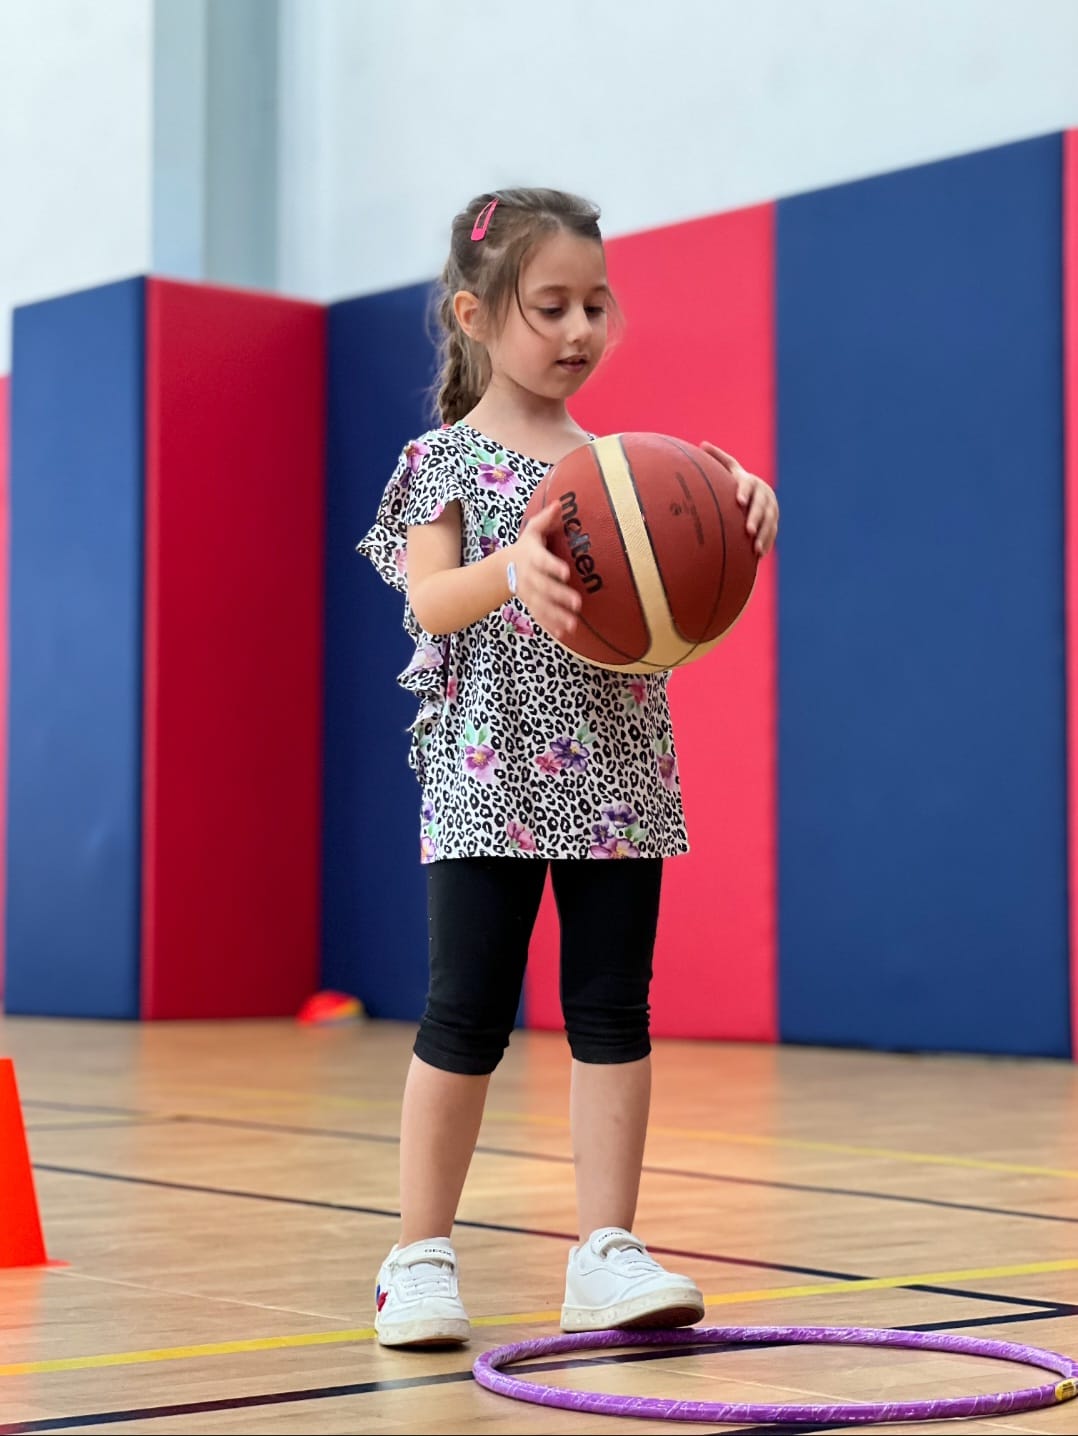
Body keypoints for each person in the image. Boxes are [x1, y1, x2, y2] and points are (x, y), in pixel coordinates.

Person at [358, 187, 779, 1349]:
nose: (580, 328)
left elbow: (687, 561)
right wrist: (511, 571)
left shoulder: (631, 469)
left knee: (612, 1010)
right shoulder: (439, 458)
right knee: (465, 1012)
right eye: (550, 305)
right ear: (475, 314)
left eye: (596, 302)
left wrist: (746, 508)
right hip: (487, 773)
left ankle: (604, 1248)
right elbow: (430, 598)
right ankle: (418, 1254)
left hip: (616, 773)